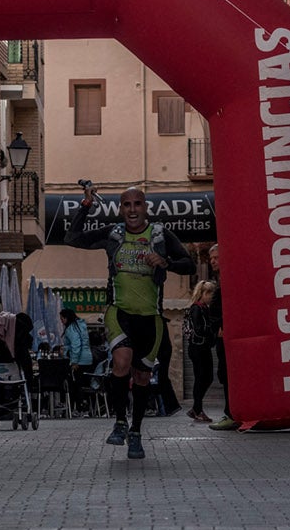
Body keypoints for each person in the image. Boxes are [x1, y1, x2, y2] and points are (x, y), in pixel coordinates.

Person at [58, 183, 194, 460]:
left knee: (142, 376)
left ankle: (136, 431)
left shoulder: (159, 235)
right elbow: (73, 238)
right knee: (121, 362)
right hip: (119, 312)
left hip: (151, 317)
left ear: (145, 207)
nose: (132, 210)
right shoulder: (114, 234)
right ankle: (119, 421)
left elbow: (189, 264)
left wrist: (166, 262)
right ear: (121, 209)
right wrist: (85, 206)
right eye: (126, 205)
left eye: (137, 204)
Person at [184, 279, 226, 425]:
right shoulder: (197, 308)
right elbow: (199, 329)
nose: (212, 298)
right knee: (202, 378)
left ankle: (196, 408)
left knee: (205, 378)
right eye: (211, 294)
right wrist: (214, 335)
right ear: (204, 293)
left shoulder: (204, 308)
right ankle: (197, 409)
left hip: (203, 347)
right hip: (198, 348)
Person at [204, 248, 237, 431]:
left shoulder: (229, 280)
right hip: (222, 336)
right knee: (224, 375)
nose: (213, 261)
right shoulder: (221, 280)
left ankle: (232, 414)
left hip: (227, 335)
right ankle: (230, 412)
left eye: (217, 257)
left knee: (227, 374)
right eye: (211, 258)